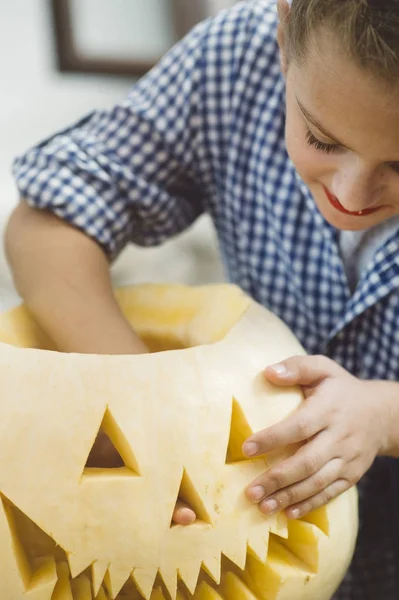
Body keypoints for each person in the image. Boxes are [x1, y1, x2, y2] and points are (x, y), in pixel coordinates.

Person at [5, 0, 399, 596]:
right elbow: (51, 221)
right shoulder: (236, 60)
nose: (351, 194)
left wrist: (384, 416)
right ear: (285, 27)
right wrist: (136, 405)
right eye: (321, 137)